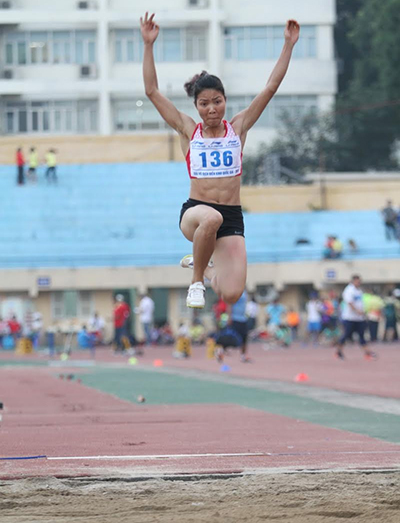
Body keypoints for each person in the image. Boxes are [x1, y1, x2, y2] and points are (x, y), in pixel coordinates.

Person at [141, 12, 300, 309]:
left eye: (217, 101)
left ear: (225, 100)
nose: (212, 109)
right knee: (211, 218)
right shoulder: (188, 130)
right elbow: (151, 91)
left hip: (231, 217)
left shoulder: (238, 128)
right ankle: (196, 283)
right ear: (196, 106)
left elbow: (270, 87)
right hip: (195, 214)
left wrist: (288, 45)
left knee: (231, 294)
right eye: (204, 104)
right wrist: (148, 45)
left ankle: (203, 265)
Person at [335, 275, 376, 360]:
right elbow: (349, 303)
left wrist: (362, 312)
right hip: (349, 318)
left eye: (360, 281)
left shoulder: (359, 291)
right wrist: (357, 311)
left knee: (361, 335)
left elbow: (360, 303)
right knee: (346, 335)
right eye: (357, 281)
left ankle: (367, 353)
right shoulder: (349, 290)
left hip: (359, 318)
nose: (359, 283)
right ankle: (338, 351)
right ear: (353, 281)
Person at [228, 289, 251, 362]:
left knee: (245, 338)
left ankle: (243, 355)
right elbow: (229, 304)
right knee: (231, 337)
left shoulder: (244, 292)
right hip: (235, 318)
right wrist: (229, 317)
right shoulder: (234, 291)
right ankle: (221, 351)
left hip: (243, 318)